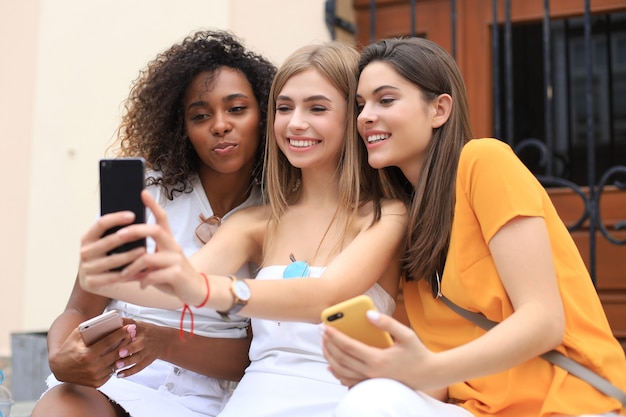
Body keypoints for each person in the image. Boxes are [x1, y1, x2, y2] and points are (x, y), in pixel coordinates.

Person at [78, 41, 408, 417]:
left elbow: (326, 297)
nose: (295, 122)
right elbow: (178, 287)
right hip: (257, 401)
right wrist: (102, 274)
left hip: (352, 400)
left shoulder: (387, 216)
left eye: (317, 108)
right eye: (284, 108)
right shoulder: (255, 222)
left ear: (355, 116)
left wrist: (206, 289)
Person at [321, 36, 626, 417]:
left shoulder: (484, 161)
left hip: (566, 404)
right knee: (370, 400)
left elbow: (544, 321)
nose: (365, 116)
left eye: (386, 100)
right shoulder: (409, 222)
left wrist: (428, 369)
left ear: (439, 110)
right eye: (361, 105)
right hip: (477, 409)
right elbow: (443, 380)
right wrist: (388, 372)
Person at [31, 29, 276, 417]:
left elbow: (254, 354)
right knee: (63, 406)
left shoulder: (275, 212)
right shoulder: (145, 191)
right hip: (113, 380)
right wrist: (63, 357)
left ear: (265, 115)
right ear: (183, 128)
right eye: (200, 115)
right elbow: (79, 307)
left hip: (206, 397)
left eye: (237, 109)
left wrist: (162, 342)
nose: (219, 125)